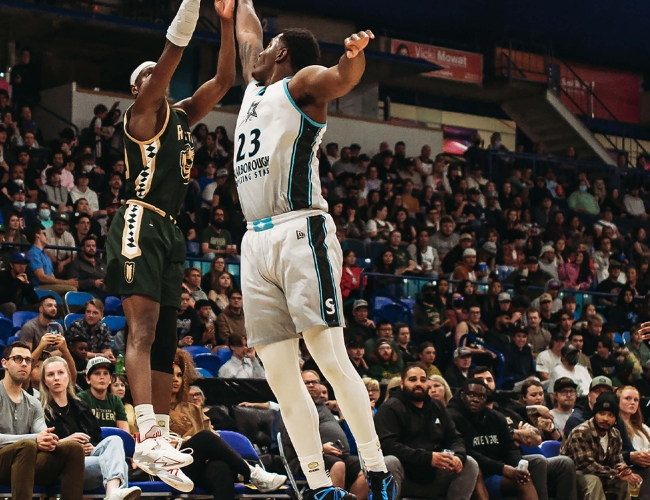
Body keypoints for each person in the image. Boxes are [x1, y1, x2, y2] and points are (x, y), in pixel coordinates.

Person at [234, 4, 393, 498]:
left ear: (280, 52)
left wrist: (352, 58)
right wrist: (238, 6)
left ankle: (377, 471)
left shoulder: (300, 81)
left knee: (329, 357)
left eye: (265, 48)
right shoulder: (253, 88)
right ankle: (319, 485)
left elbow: (339, 80)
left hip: (300, 230)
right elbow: (246, 30)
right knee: (281, 377)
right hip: (255, 240)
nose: (254, 54)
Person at [103, 0, 235, 487]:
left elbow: (222, 82)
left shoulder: (180, 117)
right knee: (143, 327)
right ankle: (146, 432)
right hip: (140, 218)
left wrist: (224, 24)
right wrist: (192, 5)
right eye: (146, 77)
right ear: (139, 89)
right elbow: (172, 54)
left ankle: (158, 440)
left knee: (164, 339)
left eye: (152, 76)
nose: (152, 80)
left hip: (171, 230)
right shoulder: (140, 116)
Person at [169, 350, 286, 496]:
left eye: (179, 375)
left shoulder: (192, 408)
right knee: (204, 437)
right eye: (171, 374)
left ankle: (253, 474)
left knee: (221, 468)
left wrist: (205, 450)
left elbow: (212, 435)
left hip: (196, 464)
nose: (176, 379)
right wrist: (189, 442)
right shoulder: (152, 408)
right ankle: (253, 473)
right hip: (168, 467)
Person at [39, 357, 142, 500]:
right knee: (119, 465)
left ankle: (113, 494)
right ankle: (113, 493)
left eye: (60, 373)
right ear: (44, 381)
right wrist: (69, 444)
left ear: (68, 377)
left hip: (88, 460)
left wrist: (89, 447)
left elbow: (96, 440)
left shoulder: (81, 406)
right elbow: (39, 446)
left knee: (114, 440)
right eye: (50, 374)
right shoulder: (39, 408)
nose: (56, 378)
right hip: (61, 465)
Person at [375, 363, 479, 500]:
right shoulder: (390, 408)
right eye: (413, 380)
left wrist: (458, 456)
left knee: (469, 463)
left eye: (423, 380)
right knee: (389, 462)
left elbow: (455, 438)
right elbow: (388, 446)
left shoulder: (437, 406)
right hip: (405, 477)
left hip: (435, 476)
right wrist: (428, 458)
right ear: (402, 383)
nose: (418, 383)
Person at [0, 342, 85, 500]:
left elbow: (41, 434)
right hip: (3, 462)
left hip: (26, 463)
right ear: (4, 363)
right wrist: (35, 439)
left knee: (73, 448)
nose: (24, 363)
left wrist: (48, 440)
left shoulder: (34, 402)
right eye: (18, 359)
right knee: (27, 445)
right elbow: (33, 439)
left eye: (28, 360)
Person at [279, 370, 368, 497]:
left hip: (336, 456)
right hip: (305, 460)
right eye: (306, 382)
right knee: (338, 466)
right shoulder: (293, 408)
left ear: (321, 386)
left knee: (366, 469)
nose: (311, 385)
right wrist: (320, 448)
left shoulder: (323, 406)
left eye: (314, 382)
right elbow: (291, 439)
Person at [447, 379, 539, 500]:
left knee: (523, 479)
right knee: (474, 468)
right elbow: (467, 452)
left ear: (486, 400)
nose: (475, 399)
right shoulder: (453, 417)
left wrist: (519, 467)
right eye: (471, 395)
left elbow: (510, 448)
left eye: (481, 396)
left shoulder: (496, 417)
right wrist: (502, 468)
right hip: (472, 475)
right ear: (462, 395)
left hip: (495, 473)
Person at [561, 392, 641, 500]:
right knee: (594, 480)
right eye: (602, 413)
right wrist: (615, 473)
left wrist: (623, 469)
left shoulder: (615, 434)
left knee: (624, 481)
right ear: (594, 415)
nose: (605, 419)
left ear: (616, 420)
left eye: (610, 415)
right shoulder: (581, 432)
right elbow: (586, 465)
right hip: (573, 474)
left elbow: (617, 459)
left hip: (602, 472)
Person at [77, 357, 129, 431]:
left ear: (110, 379)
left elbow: (124, 432)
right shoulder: (80, 398)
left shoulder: (116, 400)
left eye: (105, 373)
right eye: (97, 373)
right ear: (88, 379)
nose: (102, 377)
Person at [617, 385, 650, 499]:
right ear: (618, 401)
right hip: (629, 466)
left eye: (636, 400)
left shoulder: (643, 428)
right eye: (628, 398)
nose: (633, 402)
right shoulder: (615, 426)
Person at [26, 227, 78, 294]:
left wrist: (66, 283)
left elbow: (52, 277)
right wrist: (66, 282)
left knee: (73, 287)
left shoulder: (45, 254)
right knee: (71, 289)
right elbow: (41, 277)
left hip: (48, 286)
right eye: (44, 234)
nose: (46, 237)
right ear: (37, 235)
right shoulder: (33, 253)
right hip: (39, 287)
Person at [0, 251, 39, 318]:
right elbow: (4, 298)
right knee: (11, 306)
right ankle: (8, 327)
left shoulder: (26, 276)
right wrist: (17, 282)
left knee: (41, 306)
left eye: (24, 264)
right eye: (19, 263)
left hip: (19, 308)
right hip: (3, 307)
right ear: (11, 265)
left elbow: (34, 301)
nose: (22, 266)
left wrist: (27, 284)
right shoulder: (3, 276)